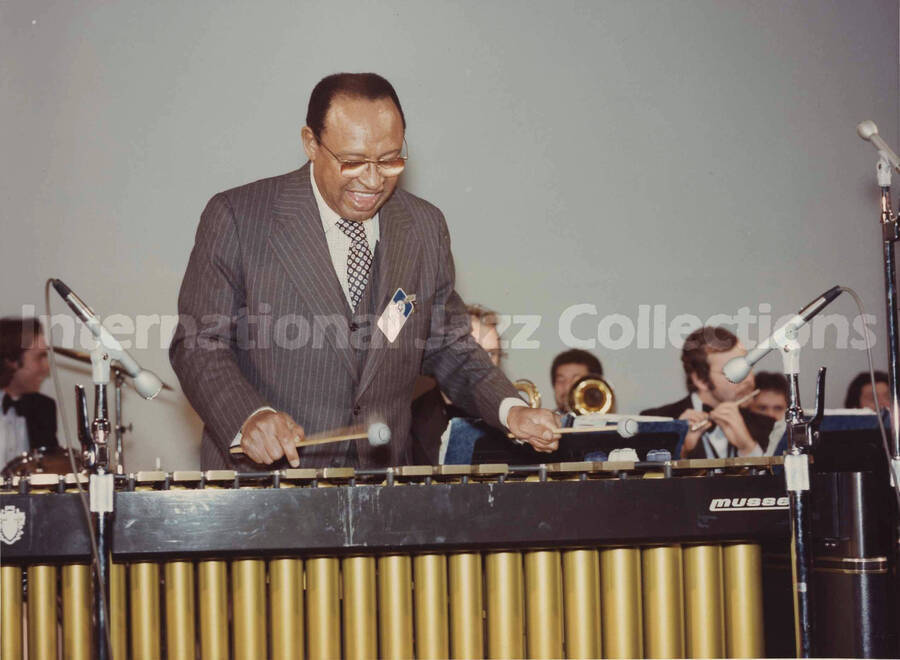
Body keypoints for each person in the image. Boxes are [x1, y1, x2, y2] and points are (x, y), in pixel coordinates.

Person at [170, 73, 558, 470]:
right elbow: (199, 343)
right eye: (353, 162)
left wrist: (511, 409)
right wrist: (249, 418)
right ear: (310, 143)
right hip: (261, 489)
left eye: (390, 160)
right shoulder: (239, 217)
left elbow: (450, 346)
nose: (373, 182)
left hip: (380, 493)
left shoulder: (424, 228)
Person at [641, 326, 774, 458]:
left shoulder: (769, 427)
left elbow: (779, 479)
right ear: (700, 380)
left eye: (749, 365)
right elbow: (648, 477)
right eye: (734, 371)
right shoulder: (657, 424)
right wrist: (681, 451)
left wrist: (748, 448)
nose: (749, 378)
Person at [410, 304, 506, 464]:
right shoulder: (413, 418)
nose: (486, 364)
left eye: (492, 354)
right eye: (476, 352)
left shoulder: (502, 413)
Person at [0, 317, 57, 468]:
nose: (46, 368)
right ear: (11, 361)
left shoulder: (44, 408)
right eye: (40, 357)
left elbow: (49, 470)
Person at [550, 349, 604, 414]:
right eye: (561, 380)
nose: (567, 387)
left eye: (576, 380)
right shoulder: (541, 422)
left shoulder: (614, 423)